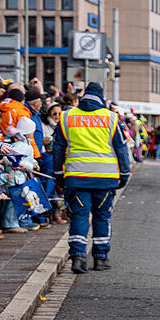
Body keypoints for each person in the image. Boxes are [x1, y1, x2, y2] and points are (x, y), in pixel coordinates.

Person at [53, 82, 131, 273]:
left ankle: (78, 258)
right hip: (105, 178)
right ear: (101, 97)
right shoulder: (111, 118)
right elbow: (121, 148)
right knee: (102, 217)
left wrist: (59, 175)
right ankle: (100, 259)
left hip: (76, 176)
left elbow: (58, 148)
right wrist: (124, 174)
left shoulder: (66, 117)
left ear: (83, 97)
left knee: (79, 216)